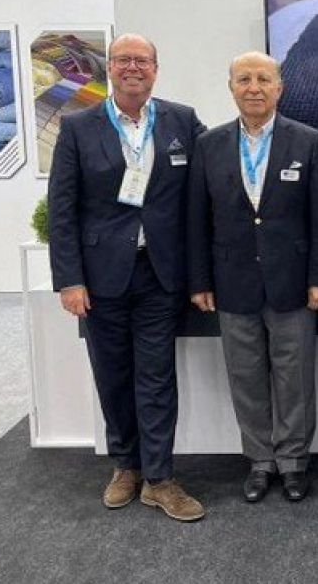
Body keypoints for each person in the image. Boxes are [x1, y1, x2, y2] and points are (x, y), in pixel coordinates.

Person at [48, 33, 205, 522]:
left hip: (161, 274)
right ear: (109, 68)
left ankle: (159, 478)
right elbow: (62, 208)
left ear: (156, 68)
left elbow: (208, 183)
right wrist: (69, 279)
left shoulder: (182, 121)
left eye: (142, 60)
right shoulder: (78, 126)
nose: (133, 67)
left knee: (156, 377)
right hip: (100, 278)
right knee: (112, 375)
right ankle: (126, 466)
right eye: (123, 60)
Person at [187, 51, 318, 504]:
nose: (254, 87)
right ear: (231, 87)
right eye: (244, 79)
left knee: (295, 378)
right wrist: (199, 280)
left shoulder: (308, 141)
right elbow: (196, 219)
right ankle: (259, 461)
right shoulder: (208, 145)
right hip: (231, 282)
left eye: (263, 79)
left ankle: (293, 462)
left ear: (279, 88)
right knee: (245, 375)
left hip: (293, 282)